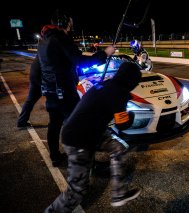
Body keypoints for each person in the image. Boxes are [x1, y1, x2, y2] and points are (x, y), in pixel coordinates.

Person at [45, 61, 142, 212]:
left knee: (118, 147)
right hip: (78, 139)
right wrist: (131, 115)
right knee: (77, 191)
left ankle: (119, 193)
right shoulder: (119, 93)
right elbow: (122, 125)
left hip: (87, 132)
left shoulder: (106, 84)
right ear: (132, 80)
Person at [37, 9, 115, 167]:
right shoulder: (61, 38)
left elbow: (56, 63)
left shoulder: (44, 39)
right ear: (64, 23)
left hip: (50, 90)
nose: (71, 26)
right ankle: (88, 162)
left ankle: (55, 157)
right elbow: (79, 61)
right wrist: (104, 54)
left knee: (55, 124)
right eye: (70, 23)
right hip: (64, 92)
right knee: (80, 125)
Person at [17, 55, 42, 128]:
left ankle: (21, 121)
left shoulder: (42, 49)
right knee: (57, 99)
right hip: (40, 78)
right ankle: (67, 119)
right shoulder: (50, 51)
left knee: (30, 101)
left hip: (34, 77)